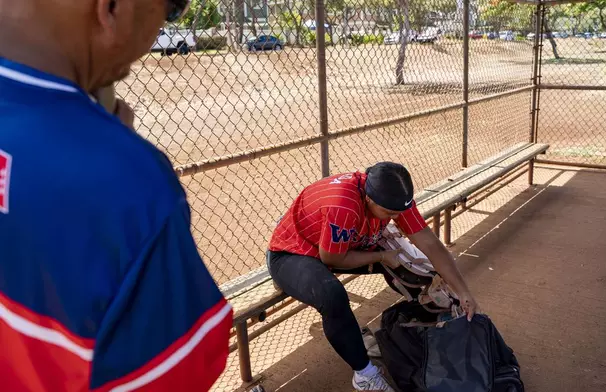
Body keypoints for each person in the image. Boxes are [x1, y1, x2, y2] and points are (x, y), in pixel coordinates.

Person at [0, 1, 232, 391]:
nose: (159, 31)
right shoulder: (129, 185)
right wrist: (115, 154)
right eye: (170, 13)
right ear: (112, 7)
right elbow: (179, 376)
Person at [267, 162, 480, 391]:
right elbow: (331, 258)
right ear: (369, 198)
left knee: (416, 269)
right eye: (390, 213)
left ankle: (426, 335)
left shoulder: (392, 198)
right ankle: (365, 375)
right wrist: (381, 257)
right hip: (294, 253)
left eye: (400, 211)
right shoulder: (344, 204)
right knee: (332, 295)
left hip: (345, 243)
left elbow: (430, 243)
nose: (397, 216)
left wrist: (463, 291)